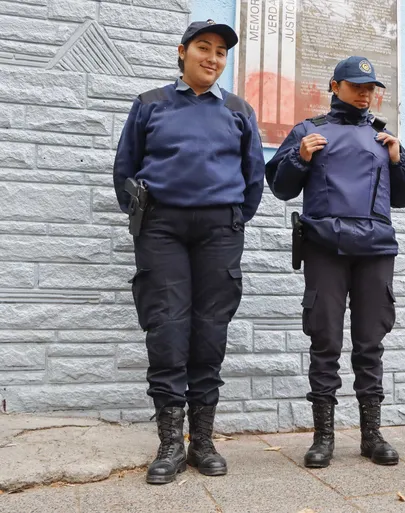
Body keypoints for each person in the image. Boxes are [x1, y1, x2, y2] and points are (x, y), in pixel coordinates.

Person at [113, 19, 265, 484]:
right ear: (183, 52)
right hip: (162, 230)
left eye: (221, 51)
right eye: (204, 47)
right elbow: (125, 169)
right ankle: (168, 445)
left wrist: (233, 219)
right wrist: (144, 219)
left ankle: (201, 441)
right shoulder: (149, 105)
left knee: (209, 330)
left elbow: (253, 176)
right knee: (167, 327)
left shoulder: (239, 110)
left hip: (219, 230)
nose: (213, 58)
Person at [265, 56, 405, 469]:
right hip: (325, 249)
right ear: (334, 86)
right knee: (326, 342)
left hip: (375, 250)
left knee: (370, 344)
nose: (365, 93)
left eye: (371, 87)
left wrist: (398, 158)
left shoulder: (383, 136)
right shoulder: (309, 131)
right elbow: (281, 187)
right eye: (356, 85)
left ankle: (371, 435)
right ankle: (324, 438)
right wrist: (299, 157)